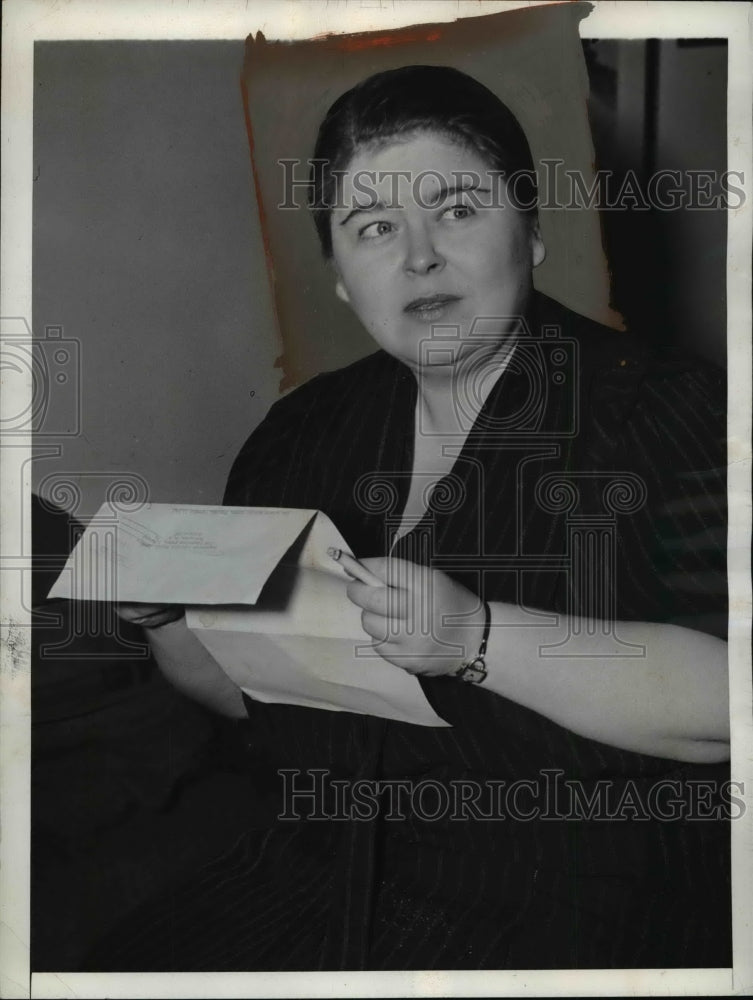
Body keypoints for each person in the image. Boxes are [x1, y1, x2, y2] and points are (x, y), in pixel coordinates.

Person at [91, 65, 730, 971]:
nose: (418, 256)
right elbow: (247, 698)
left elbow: (729, 705)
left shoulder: (670, 411)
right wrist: (168, 623)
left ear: (534, 231)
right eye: (374, 228)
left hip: (579, 897)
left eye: (458, 209)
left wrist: (473, 634)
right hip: (317, 872)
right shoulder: (300, 435)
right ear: (345, 280)